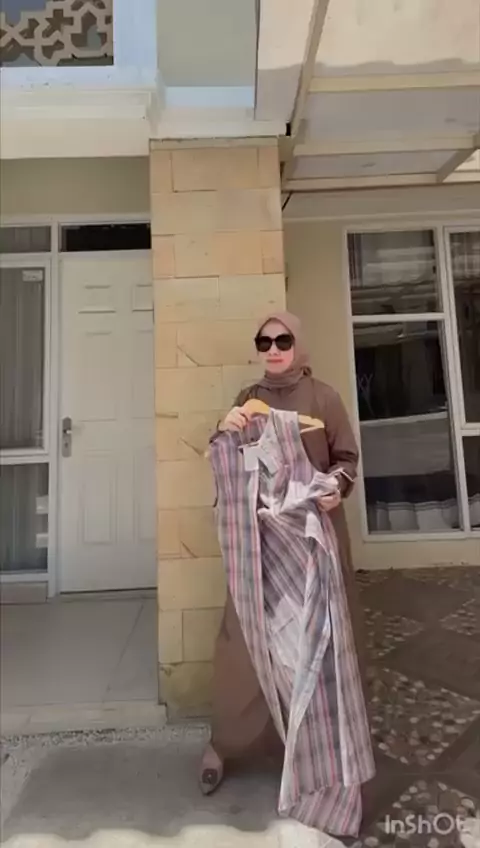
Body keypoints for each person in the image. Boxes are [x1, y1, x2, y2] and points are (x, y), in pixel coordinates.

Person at [200, 311, 367, 795]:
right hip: (260, 544)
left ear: (298, 344)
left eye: (283, 340)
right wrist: (223, 429)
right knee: (242, 644)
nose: (273, 349)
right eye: (264, 341)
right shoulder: (247, 399)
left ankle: (323, 754)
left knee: (315, 644)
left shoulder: (323, 397)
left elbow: (347, 460)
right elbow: (227, 460)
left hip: (314, 542)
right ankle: (225, 744)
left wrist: (336, 486)